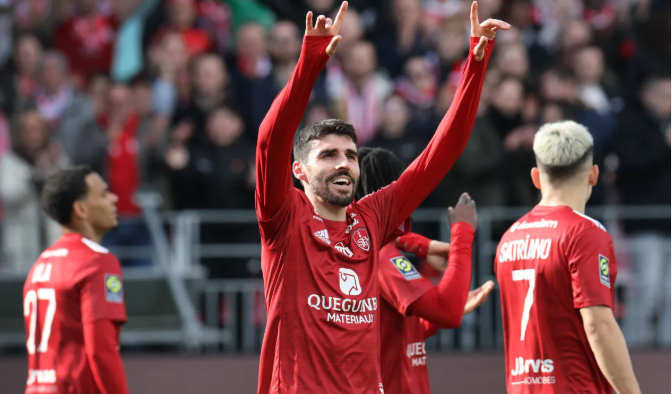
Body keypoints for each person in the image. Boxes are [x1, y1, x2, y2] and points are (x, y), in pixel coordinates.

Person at [255, 1, 508, 393]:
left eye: (351, 156)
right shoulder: (284, 219)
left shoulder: (371, 219)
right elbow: (271, 142)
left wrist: (476, 62)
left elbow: (442, 152)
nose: (344, 164)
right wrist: (309, 64)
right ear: (299, 171)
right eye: (328, 155)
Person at [495, 121, 640, 394]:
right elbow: (598, 325)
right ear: (594, 174)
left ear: (536, 177)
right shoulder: (584, 233)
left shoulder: (509, 237)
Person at [355, 147, 495, 394]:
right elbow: (447, 313)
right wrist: (462, 231)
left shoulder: (377, 251)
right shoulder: (380, 256)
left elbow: (406, 331)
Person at [22, 166, 129, 394]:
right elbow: (101, 350)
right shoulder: (98, 262)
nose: (114, 198)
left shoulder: (40, 264)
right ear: (80, 209)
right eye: (102, 194)